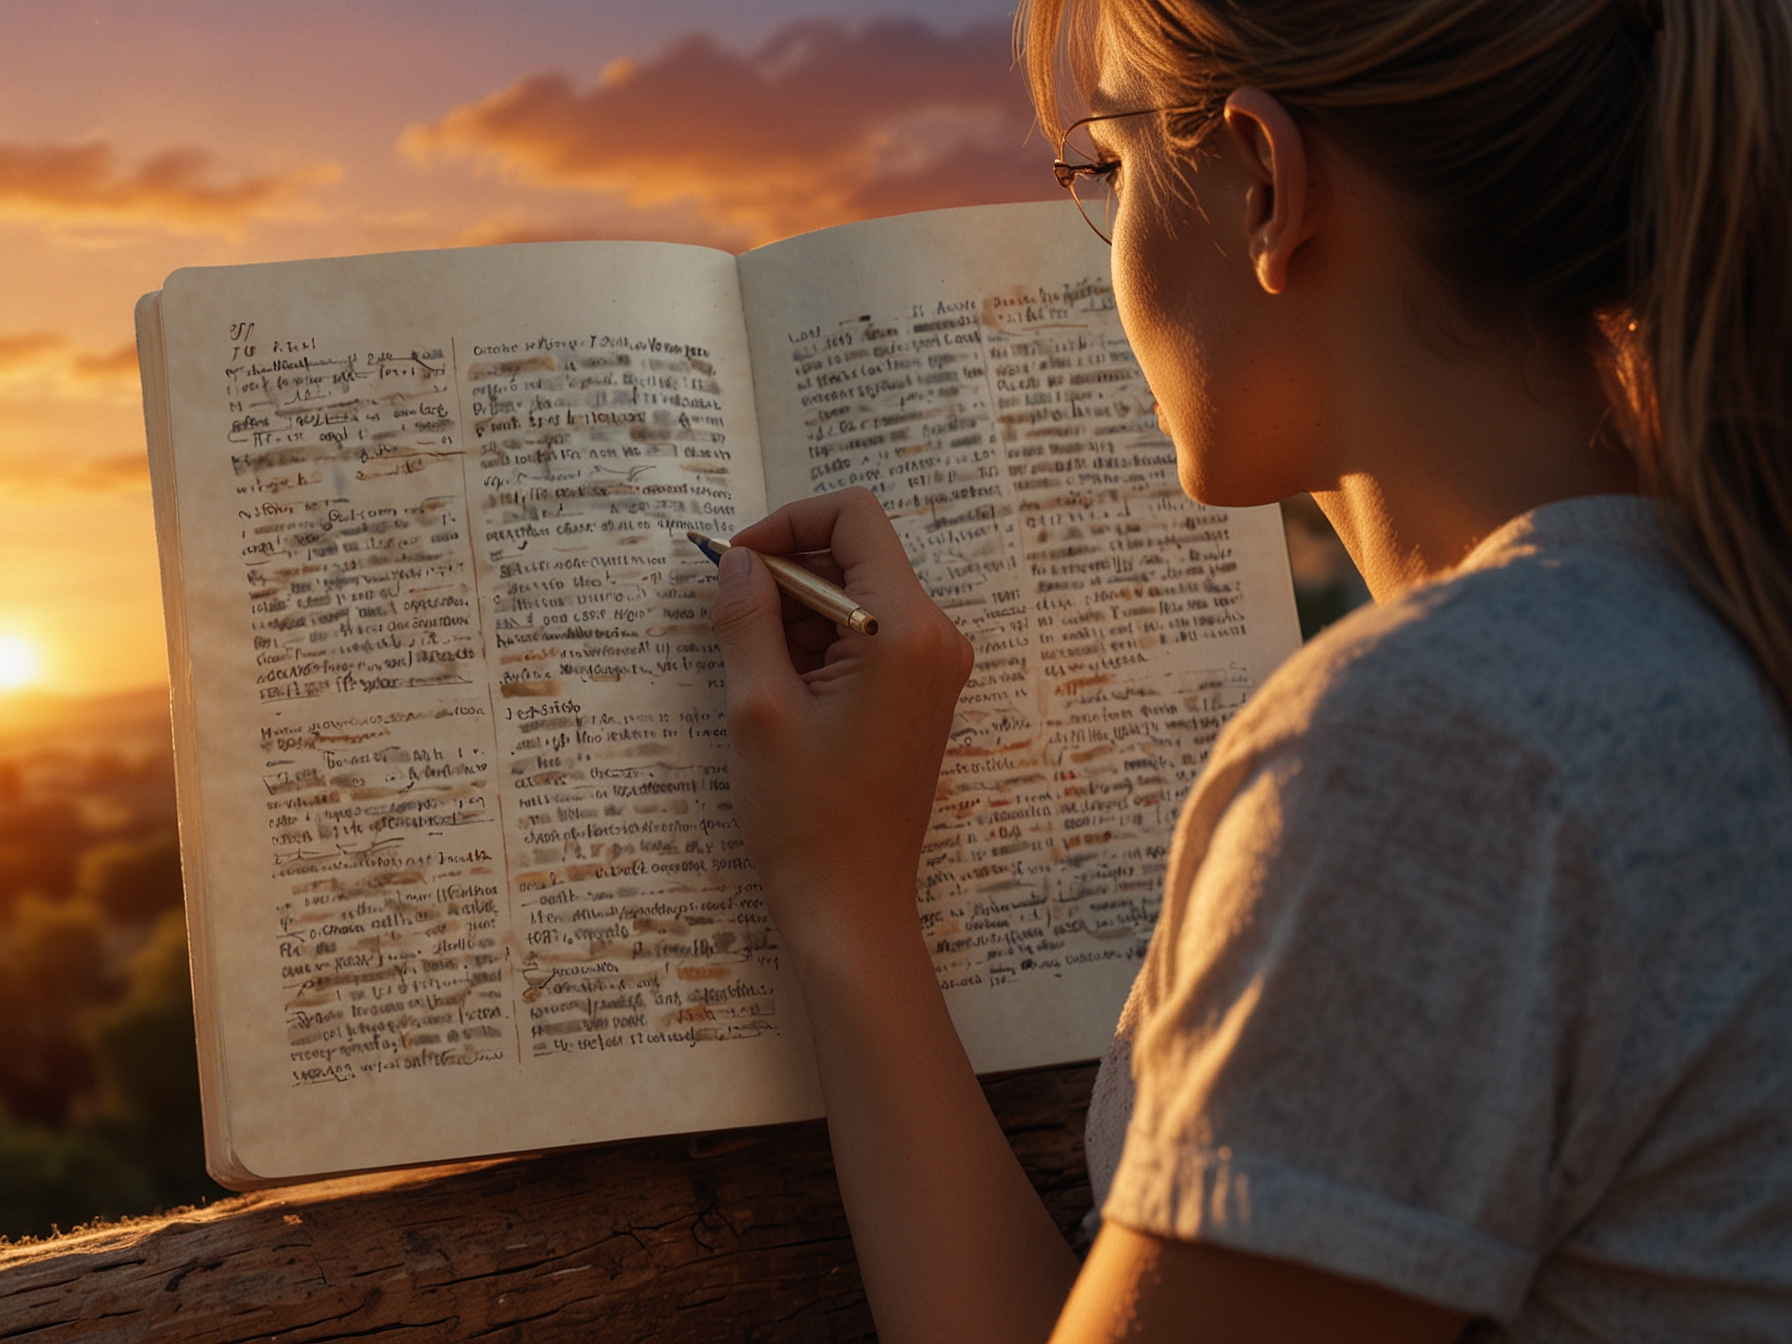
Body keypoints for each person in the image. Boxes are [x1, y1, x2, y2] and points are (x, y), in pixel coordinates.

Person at [705, 0, 1792, 1339]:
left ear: (1268, 184)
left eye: (1105, 170)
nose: (1102, 244)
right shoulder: (1703, 622)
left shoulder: (1444, 752)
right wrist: (848, 896)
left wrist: (833, 880)